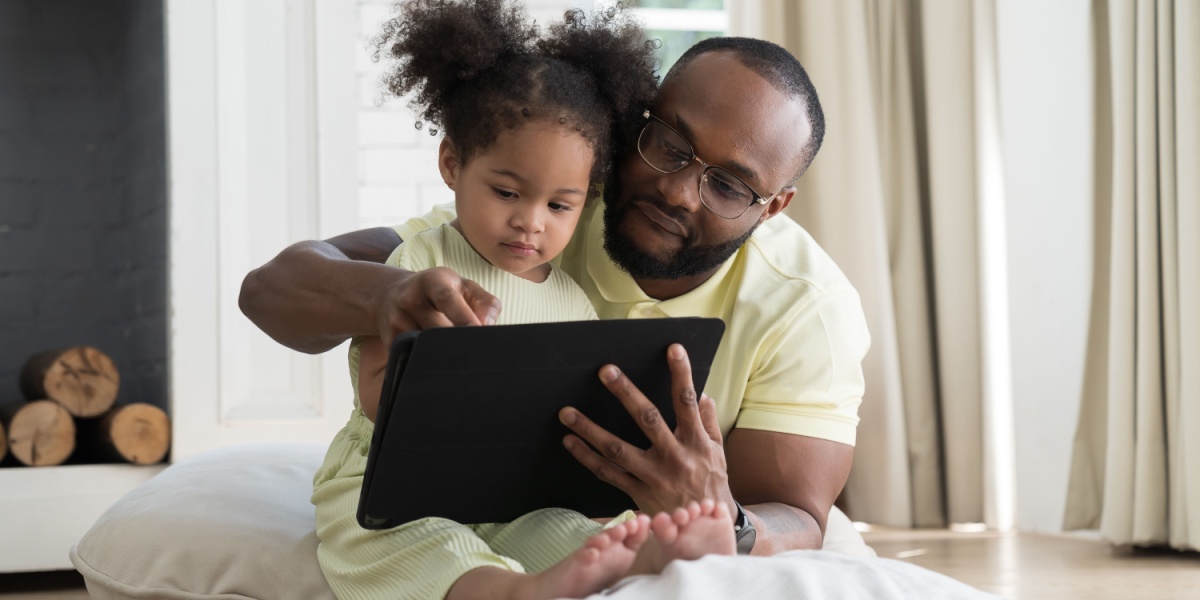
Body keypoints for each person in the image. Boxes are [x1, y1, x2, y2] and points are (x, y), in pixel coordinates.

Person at [241, 2, 870, 578]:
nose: (678, 191)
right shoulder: (555, 207)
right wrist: (383, 296)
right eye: (670, 145)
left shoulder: (809, 308)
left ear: (774, 206)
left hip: (573, 520)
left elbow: (800, 518)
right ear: (636, 123)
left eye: (730, 185)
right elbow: (270, 291)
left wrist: (721, 519)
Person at [305, 2, 738, 600]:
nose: (529, 223)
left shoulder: (570, 302)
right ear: (453, 163)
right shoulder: (420, 266)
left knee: (562, 529)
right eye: (507, 191)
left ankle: (644, 557)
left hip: (511, 491)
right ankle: (511, 592)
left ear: (586, 201)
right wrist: (452, 370)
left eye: (559, 206)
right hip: (395, 484)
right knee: (419, 545)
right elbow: (377, 397)